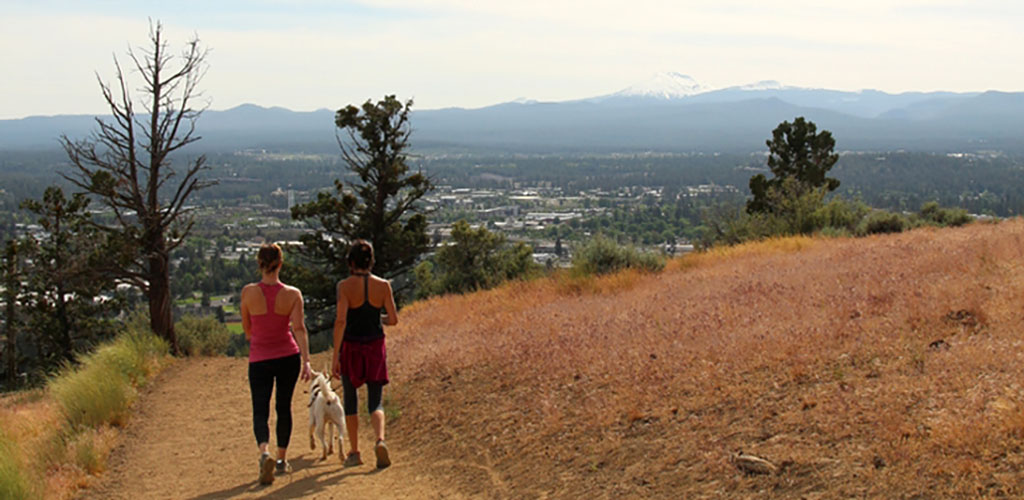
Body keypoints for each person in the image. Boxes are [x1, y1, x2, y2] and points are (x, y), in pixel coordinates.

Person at [241, 243, 313, 485]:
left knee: (260, 409)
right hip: (287, 356)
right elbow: (299, 329)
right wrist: (307, 361)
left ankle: (264, 453)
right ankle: (281, 458)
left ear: (259, 264)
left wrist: (261, 336)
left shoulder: (248, 293)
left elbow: (247, 329)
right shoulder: (293, 294)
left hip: (260, 358)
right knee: (284, 407)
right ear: (280, 264)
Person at [332, 239, 398, 469]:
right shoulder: (383, 286)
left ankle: (355, 452)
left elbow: (341, 321)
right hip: (375, 346)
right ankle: (380, 440)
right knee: (375, 401)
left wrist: (335, 357)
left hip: (351, 346)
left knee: (351, 400)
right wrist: (376, 318)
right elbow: (393, 319)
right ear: (371, 261)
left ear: (350, 262)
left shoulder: (344, 287)